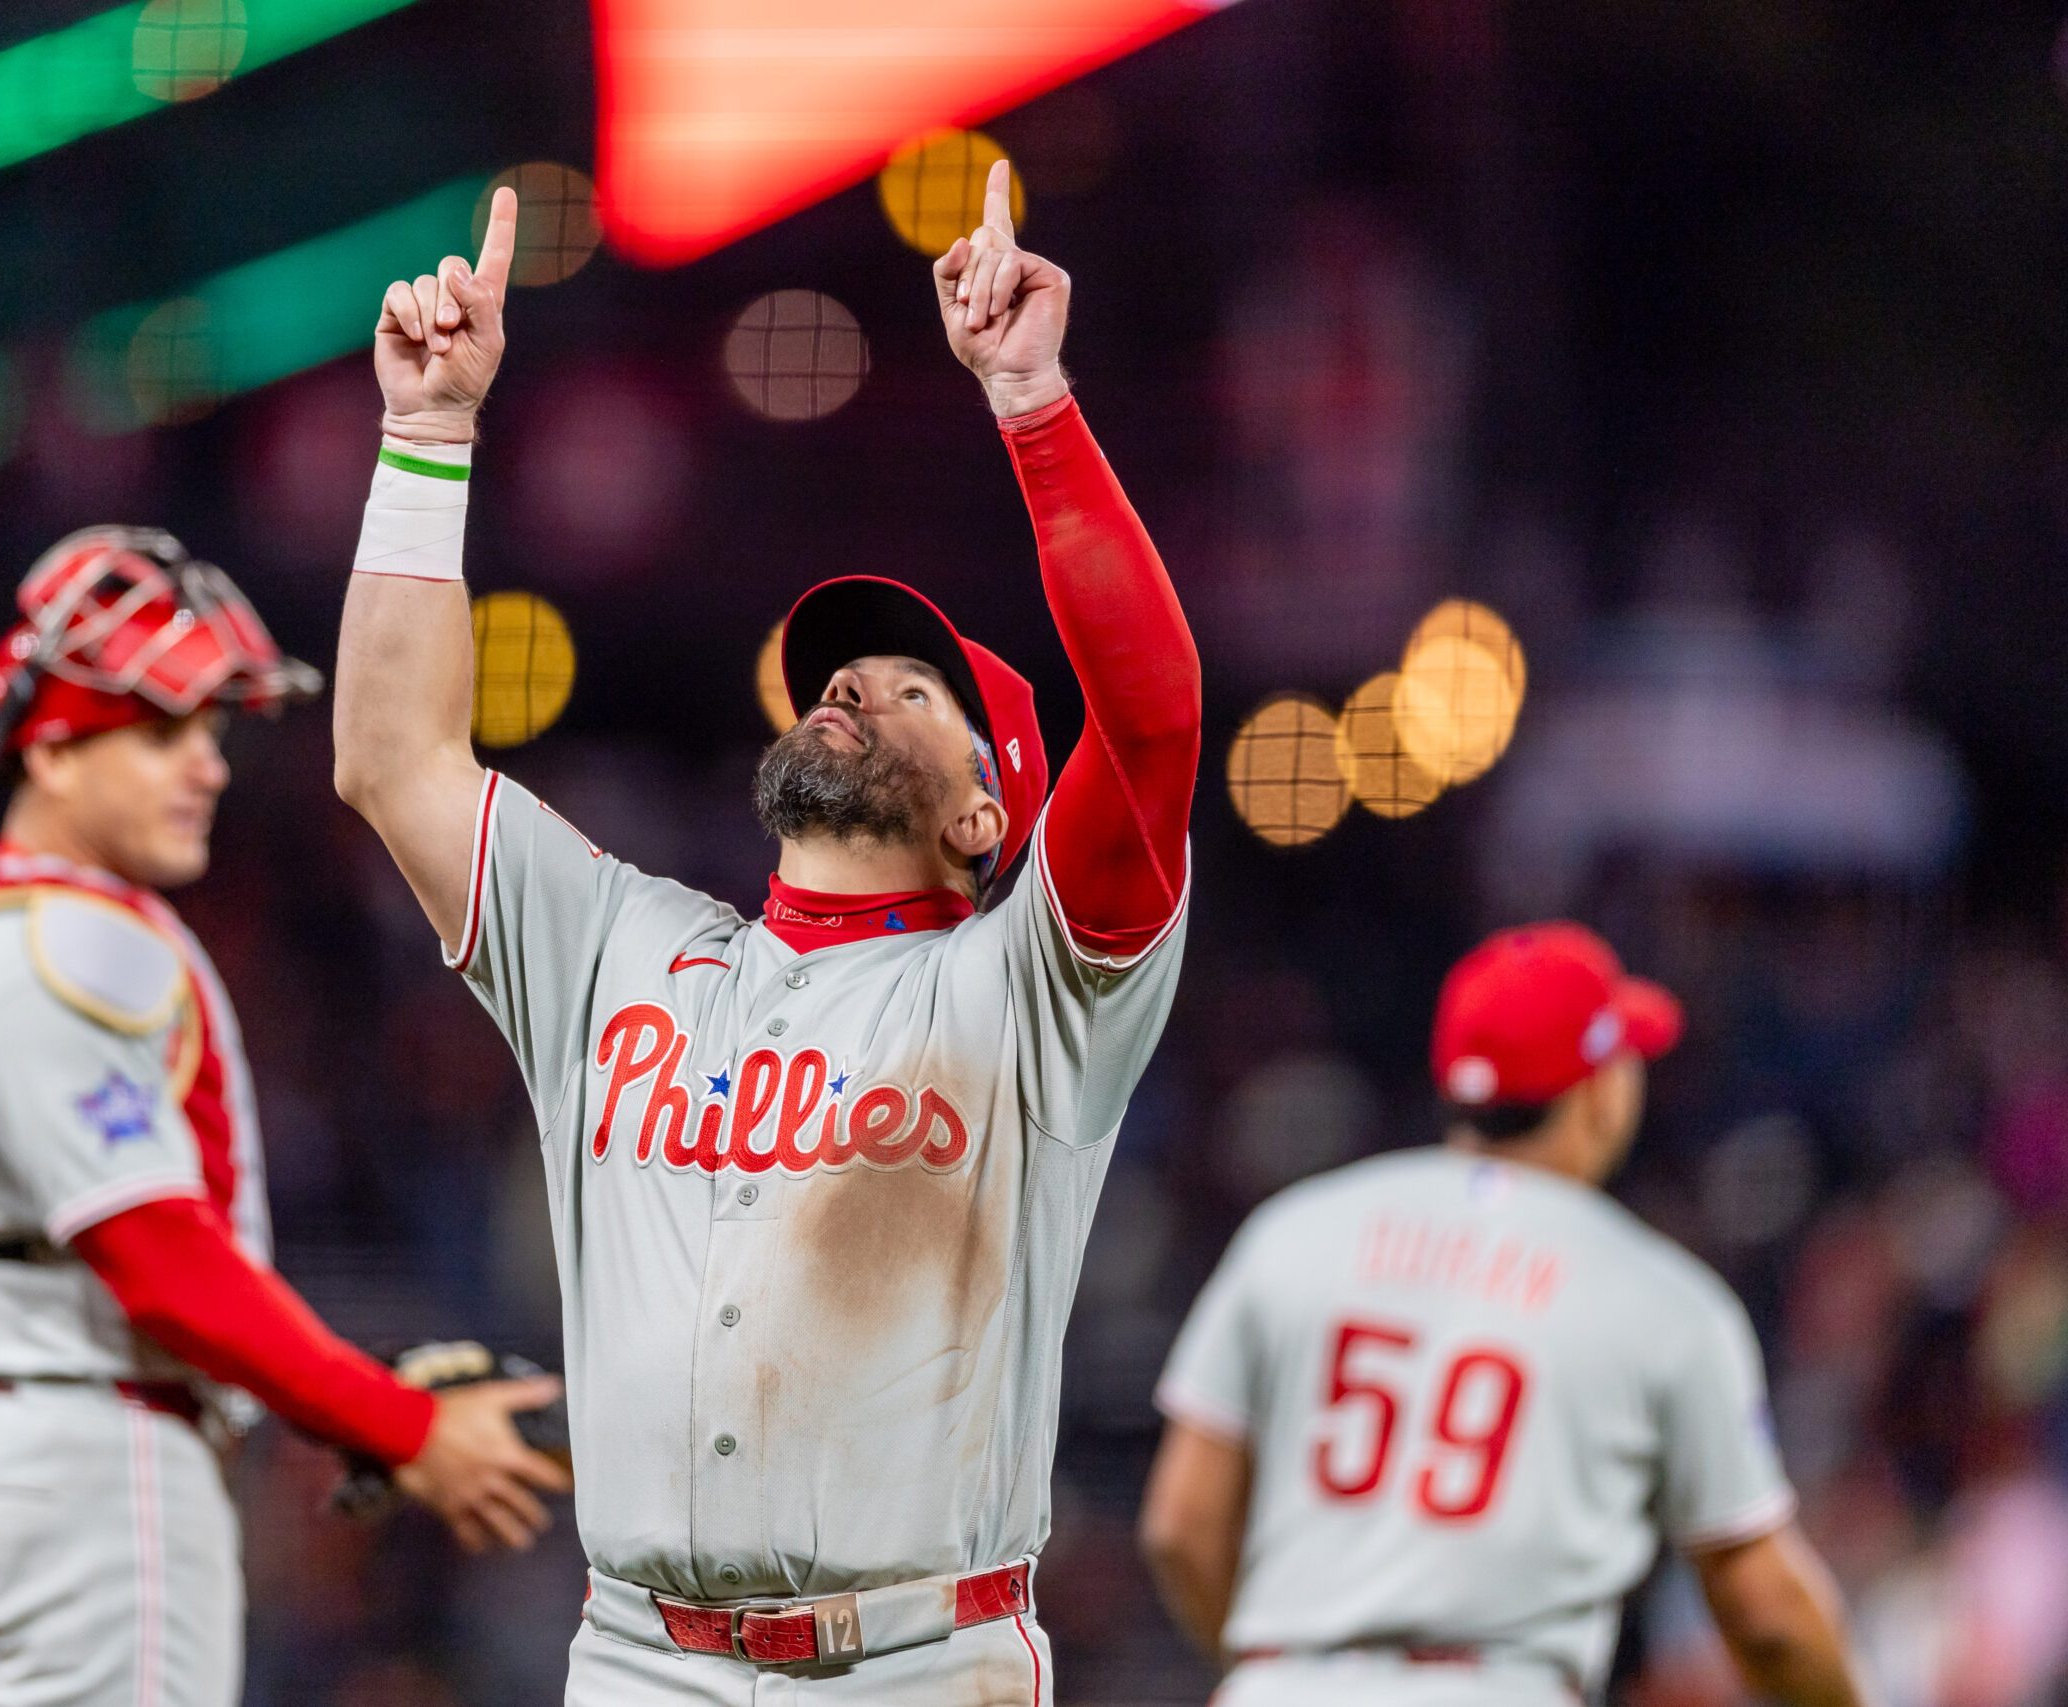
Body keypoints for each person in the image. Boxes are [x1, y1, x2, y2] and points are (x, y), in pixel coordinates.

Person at [334, 165, 1200, 1704]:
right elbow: (393, 760)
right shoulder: (618, 944)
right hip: (634, 1656)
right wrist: (428, 434)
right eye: (842, 671)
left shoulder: (1032, 984)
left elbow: (1152, 718)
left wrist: (1032, 403)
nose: (854, 685)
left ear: (987, 819)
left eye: (912, 688)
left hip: (920, 1661)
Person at [0, 529, 571, 1707]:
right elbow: (158, 1265)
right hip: (92, 1479)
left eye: (209, 731)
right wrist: (397, 1423)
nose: (205, 766)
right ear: (50, 747)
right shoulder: (65, 948)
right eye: (158, 732)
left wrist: (341, 1393)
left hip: (3, 1452)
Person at [1141, 923, 1872, 1707]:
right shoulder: (1661, 1296)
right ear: (1601, 1089)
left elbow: (1180, 1525)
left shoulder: (1291, 1232)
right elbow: (1768, 1616)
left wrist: (1283, 1666)